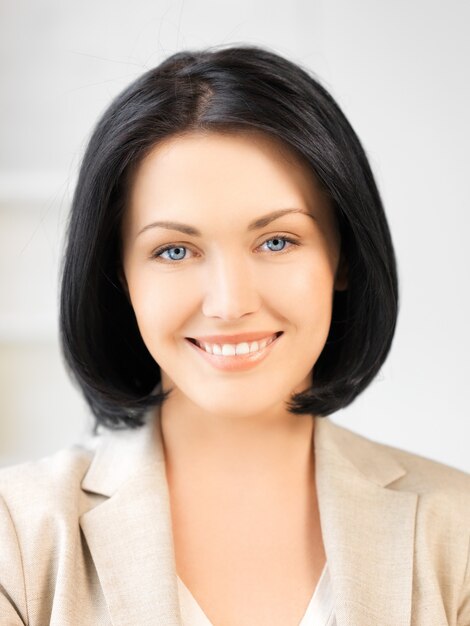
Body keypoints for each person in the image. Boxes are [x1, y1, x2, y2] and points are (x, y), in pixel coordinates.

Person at [0, 44, 469, 626]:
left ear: (342, 253)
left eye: (277, 241)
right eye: (174, 250)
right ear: (119, 276)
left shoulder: (457, 533)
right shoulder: (16, 538)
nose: (230, 303)